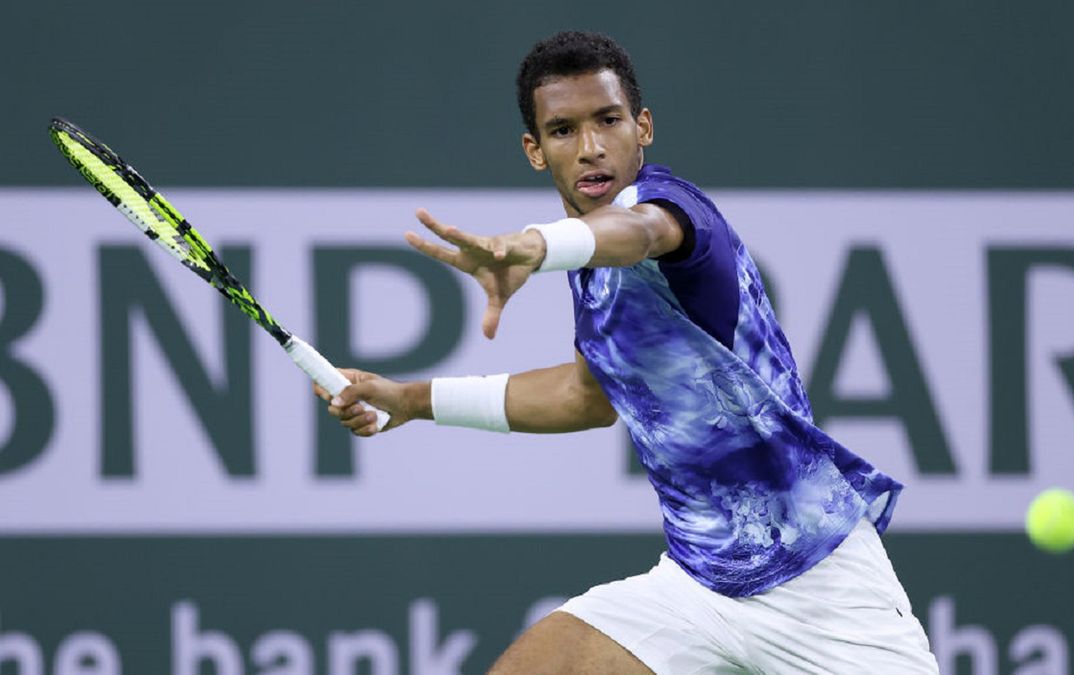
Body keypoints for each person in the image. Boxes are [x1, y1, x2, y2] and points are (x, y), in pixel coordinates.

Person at [320, 30, 939, 674]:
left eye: (608, 120)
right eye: (562, 130)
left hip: (820, 582)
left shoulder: (669, 211)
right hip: (697, 586)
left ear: (642, 127)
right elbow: (585, 397)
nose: (590, 148)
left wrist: (534, 246)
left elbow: (639, 233)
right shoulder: (589, 269)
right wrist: (411, 400)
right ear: (535, 151)